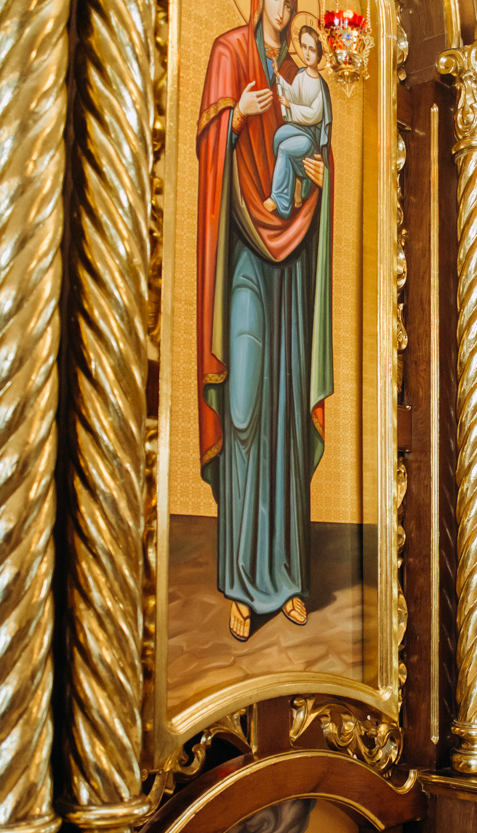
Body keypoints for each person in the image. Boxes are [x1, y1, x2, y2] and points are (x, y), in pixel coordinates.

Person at [194, 0, 334, 643]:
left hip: (293, 262)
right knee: (246, 406)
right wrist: (237, 119)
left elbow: (318, 148)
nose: (284, 5)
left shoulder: (303, 64)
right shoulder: (230, 52)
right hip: (246, 255)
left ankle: (287, 578)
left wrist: (319, 174)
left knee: (285, 412)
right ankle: (242, 582)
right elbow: (209, 153)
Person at [265, 25, 331, 219]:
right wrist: (279, 78)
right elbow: (293, 94)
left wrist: (291, 106)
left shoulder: (320, 85)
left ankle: (279, 200)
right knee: (278, 137)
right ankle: (296, 179)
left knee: (284, 148)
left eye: (312, 49)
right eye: (304, 47)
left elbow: (314, 114)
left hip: (311, 139)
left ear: (319, 52)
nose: (307, 53)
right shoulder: (301, 75)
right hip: (298, 128)